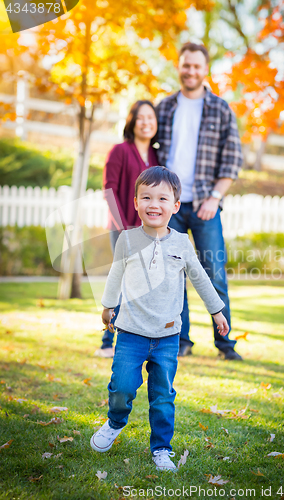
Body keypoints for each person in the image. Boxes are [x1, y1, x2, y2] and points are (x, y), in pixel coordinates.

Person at [90, 167, 229, 470]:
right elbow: (115, 275)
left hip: (168, 337)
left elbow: (201, 280)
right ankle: (115, 422)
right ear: (136, 202)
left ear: (175, 206)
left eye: (163, 198)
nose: (154, 204)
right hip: (130, 332)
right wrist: (108, 306)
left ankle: (161, 449)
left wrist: (216, 311)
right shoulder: (127, 240)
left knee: (163, 396)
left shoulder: (181, 243)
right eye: (147, 197)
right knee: (123, 386)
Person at [156, 42, 243, 360]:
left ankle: (225, 345)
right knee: (171, 275)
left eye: (196, 66)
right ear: (178, 67)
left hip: (206, 205)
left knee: (213, 272)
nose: (190, 71)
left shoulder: (221, 109)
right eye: (186, 65)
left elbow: (232, 160)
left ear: (205, 69)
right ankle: (181, 341)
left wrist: (215, 197)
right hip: (171, 207)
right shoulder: (164, 107)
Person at [94, 100, 158, 358]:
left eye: (150, 118)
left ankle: (137, 342)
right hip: (123, 229)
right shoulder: (119, 151)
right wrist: (122, 228)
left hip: (149, 231)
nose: (146, 122)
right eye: (140, 117)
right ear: (132, 121)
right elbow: (109, 192)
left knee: (143, 286)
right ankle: (107, 342)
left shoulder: (156, 156)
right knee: (119, 282)